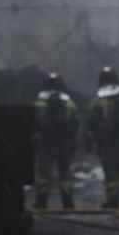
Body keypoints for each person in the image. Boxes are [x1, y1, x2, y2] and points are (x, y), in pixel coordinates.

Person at [86, 65, 119, 208]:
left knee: (110, 169)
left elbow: (91, 120)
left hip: (106, 139)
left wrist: (96, 134)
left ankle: (113, 201)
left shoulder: (97, 99)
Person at [32, 72, 78, 209]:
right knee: (65, 172)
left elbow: (34, 122)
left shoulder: (40, 102)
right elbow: (75, 122)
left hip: (46, 141)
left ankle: (42, 201)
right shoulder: (69, 102)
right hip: (64, 141)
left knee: (43, 173)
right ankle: (67, 201)